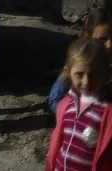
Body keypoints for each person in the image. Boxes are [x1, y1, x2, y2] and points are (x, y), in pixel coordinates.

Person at [46, 37, 112, 171]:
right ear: (67, 73)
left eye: (94, 74)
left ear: (106, 75)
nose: (87, 81)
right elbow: (57, 143)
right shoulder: (65, 105)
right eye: (79, 74)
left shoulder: (107, 112)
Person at [50, 8, 112, 113]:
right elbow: (55, 100)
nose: (109, 45)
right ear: (87, 36)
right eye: (102, 39)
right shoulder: (78, 63)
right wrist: (73, 114)